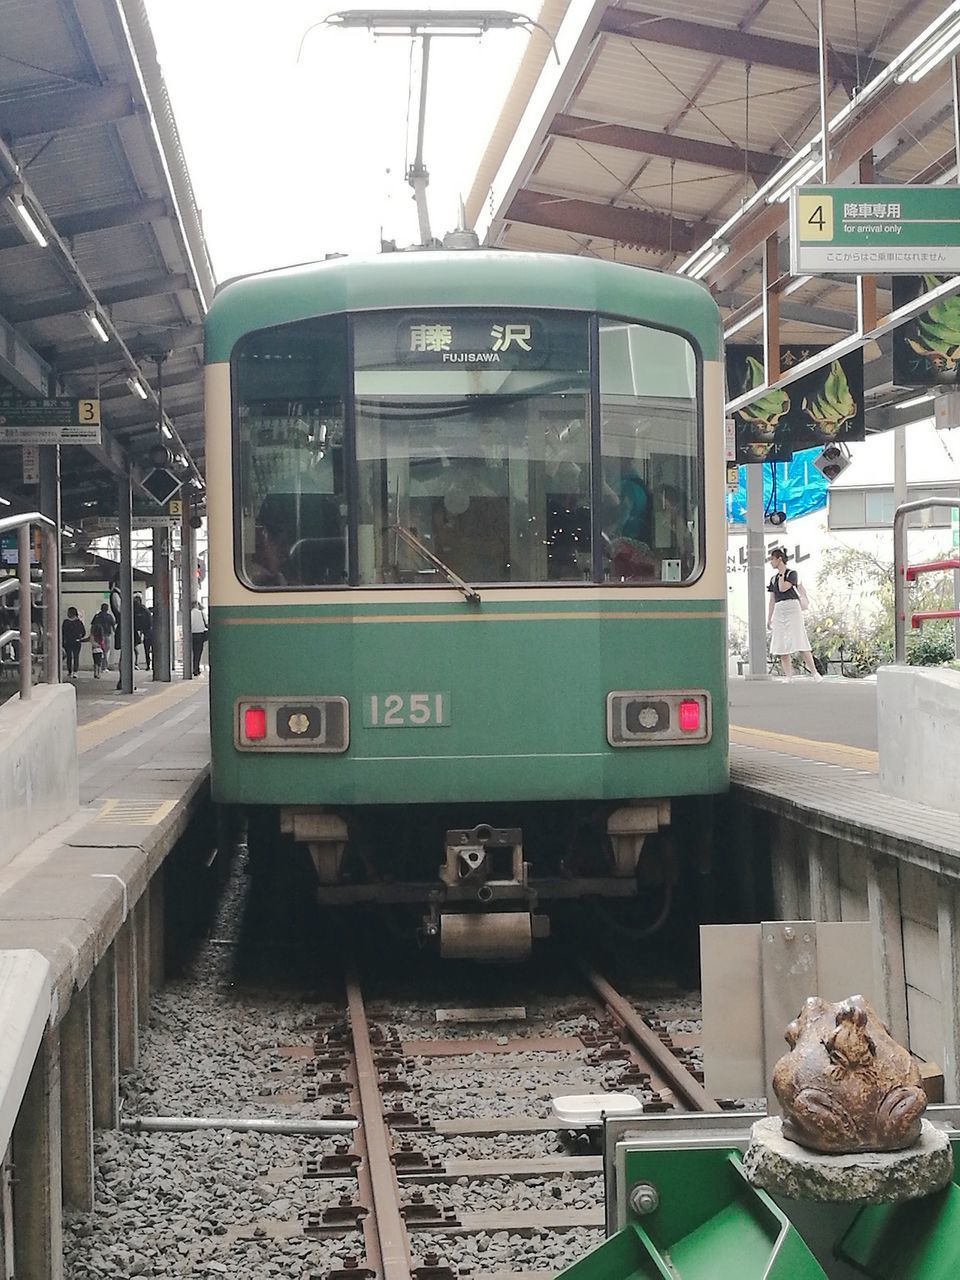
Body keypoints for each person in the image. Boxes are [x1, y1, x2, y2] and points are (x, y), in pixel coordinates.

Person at [766, 546, 821, 680]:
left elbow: (783, 587)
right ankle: (788, 675)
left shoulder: (792, 574)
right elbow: (772, 599)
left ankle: (814, 672)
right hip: (779, 608)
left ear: (779, 559)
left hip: (792, 606)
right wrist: (769, 618)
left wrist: (781, 574)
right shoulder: (772, 579)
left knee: (800, 638)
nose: (771, 562)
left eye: (772, 559)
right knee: (781, 643)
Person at [61, 606, 86, 679]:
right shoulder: (79, 622)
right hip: (76, 641)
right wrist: (79, 637)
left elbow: (62, 632)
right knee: (76, 656)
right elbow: (83, 632)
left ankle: (70, 671)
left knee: (69, 657)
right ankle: (75, 672)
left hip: (67, 642)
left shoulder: (66, 622)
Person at [93, 602, 115, 670]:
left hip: (98, 636)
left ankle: (99, 666)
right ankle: (104, 667)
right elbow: (113, 626)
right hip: (107, 635)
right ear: (107, 609)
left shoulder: (97, 616)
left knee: (99, 651)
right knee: (106, 651)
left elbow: (93, 625)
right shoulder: (109, 616)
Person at [134, 595, 153, 670]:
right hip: (148, 635)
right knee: (148, 651)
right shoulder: (145, 612)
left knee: (147, 651)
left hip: (148, 635)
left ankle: (149, 665)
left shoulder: (143, 611)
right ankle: (149, 665)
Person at [190, 599, 208, 676]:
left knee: (190, 652)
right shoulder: (202, 614)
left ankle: (189, 668)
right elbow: (206, 624)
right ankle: (196, 669)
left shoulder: (189, 614)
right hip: (200, 635)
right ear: (197, 605)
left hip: (191, 636)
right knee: (198, 653)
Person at [89, 609, 109, 678]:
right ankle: (99, 673)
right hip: (99, 647)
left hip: (94, 647)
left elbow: (90, 637)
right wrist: (102, 647)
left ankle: (95, 672)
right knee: (99, 661)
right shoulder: (100, 628)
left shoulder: (93, 628)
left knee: (95, 661)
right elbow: (102, 639)